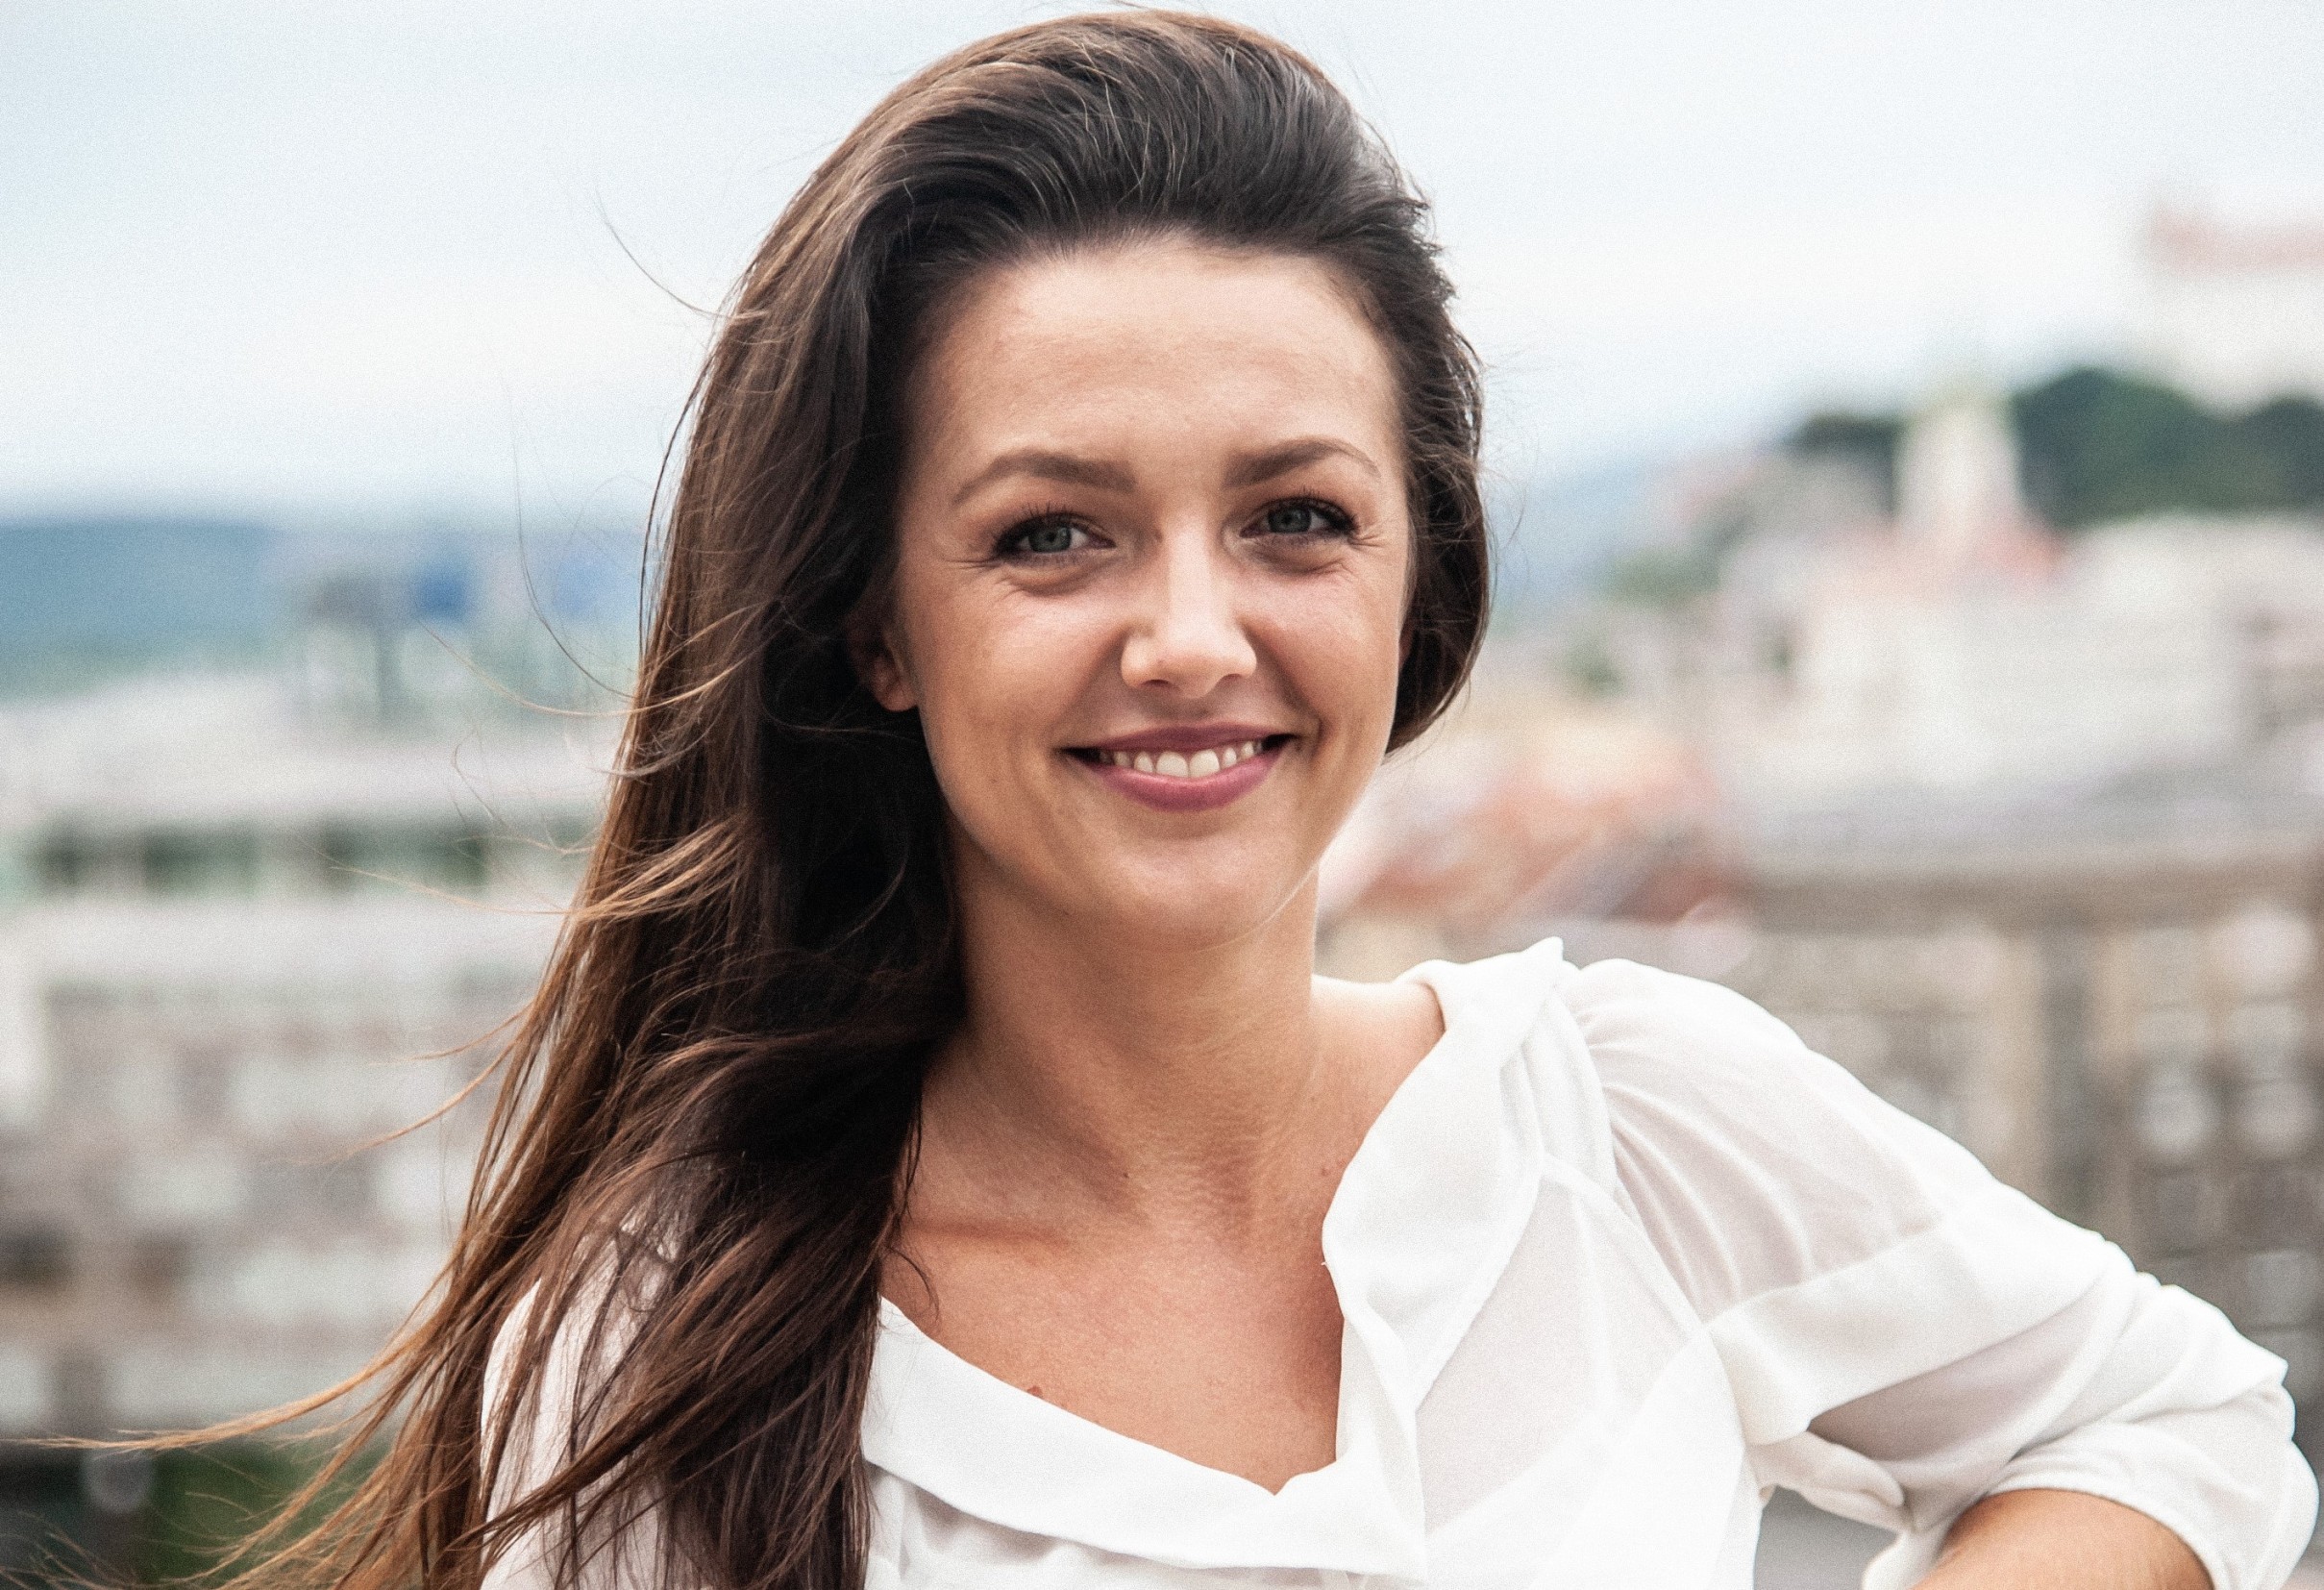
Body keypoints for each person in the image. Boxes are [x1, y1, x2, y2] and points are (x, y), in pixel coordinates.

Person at [245, 13, 2313, 1590]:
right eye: (1055, 535)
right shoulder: (671, 1352)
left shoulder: (1622, 1116)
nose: (1189, 634)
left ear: (1421, 573)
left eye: (1296, 517)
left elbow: (2182, 1421)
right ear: (877, 624)